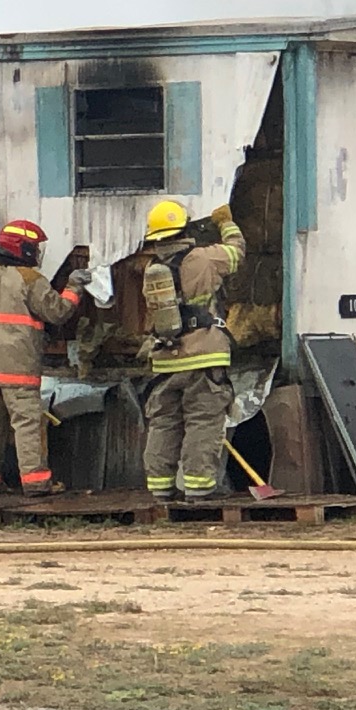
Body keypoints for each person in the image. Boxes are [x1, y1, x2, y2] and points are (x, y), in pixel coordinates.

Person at [0, 220, 87, 496]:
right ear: (24, 249)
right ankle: (37, 483)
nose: (38, 252)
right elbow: (58, 312)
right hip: (16, 370)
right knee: (26, 424)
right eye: (35, 247)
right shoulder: (30, 280)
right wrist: (74, 287)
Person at [140, 199, 247, 501]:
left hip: (164, 360)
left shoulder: (152, 270)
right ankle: (199, 490)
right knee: (203, 421)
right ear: (185, 229)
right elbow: (238, 254)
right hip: (204, 356)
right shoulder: (203, 258)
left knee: (164, 423)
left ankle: (161, 490)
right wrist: (226, 223)